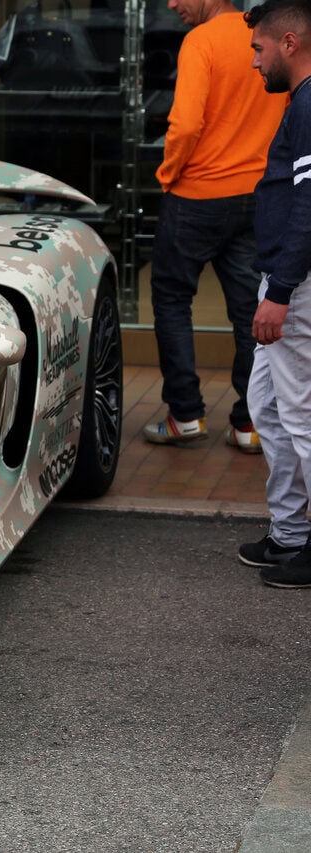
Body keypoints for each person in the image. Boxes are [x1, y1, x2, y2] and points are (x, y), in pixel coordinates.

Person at [142, 0, 287, 450]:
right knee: (249, 311)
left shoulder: (201, 41)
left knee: (170, 299)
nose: (170, 4)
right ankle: (249, 423)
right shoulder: (264, 36)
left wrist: (168, 174)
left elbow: (185, 124)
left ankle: (185, 415)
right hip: (255, 195)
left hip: (196, 195)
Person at [241, 0, 311, 587]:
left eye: (260, 49)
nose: (255, 62)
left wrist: (282, 289)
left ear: (290, 42)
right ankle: (291, 534)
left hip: (298, 284)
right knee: (266, 405)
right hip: (284, 278)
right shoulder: (301, 100)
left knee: (302, 413)